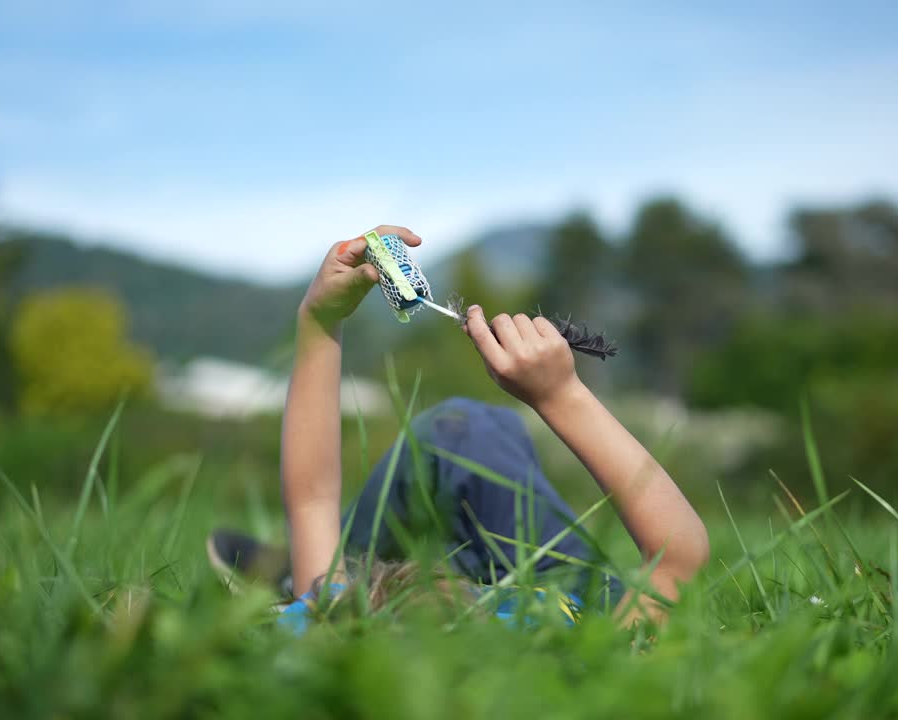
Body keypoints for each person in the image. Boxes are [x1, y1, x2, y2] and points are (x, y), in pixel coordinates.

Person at [207, 226, 709, 630]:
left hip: (371, 573)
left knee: (455, 434)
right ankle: (310, 563)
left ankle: (295, 568)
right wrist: (562, 396)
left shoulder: (340, 621)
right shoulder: (579, 633)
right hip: (552, 578)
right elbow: (679, 560)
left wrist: (319, 320)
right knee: (461, 433)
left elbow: (312, 499)